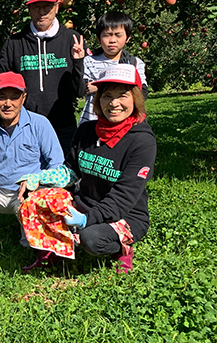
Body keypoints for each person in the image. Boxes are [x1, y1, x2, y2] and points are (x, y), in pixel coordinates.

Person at [20, 64, 156, 272]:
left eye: (122, 96)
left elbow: (123, 196)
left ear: (135, 99)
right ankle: (54, 249)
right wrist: (38, 178)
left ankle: (121, 250)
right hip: (84, 204)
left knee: (91, 238)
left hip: (126, 214)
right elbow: (70, 171)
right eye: (107, 95)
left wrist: (86, 220)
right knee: (37, 198)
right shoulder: (87, 130)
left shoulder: (142, 141)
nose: (114, 103)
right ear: (98, 99)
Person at [0, 0, 86, 153]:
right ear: (29, 9)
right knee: (26, 177)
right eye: (36, 7)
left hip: (63, 125)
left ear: (57, 7)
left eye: (47, 7)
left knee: (64, 176)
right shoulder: (15, 42)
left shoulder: (72, 39)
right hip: (25, 127)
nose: (42, 12)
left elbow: (79, 90)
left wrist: (79, 63)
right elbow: (0, 82)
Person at [0, 72, 64, 226]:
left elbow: (57, 163)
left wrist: (38, 184)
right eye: (2, 96)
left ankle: (31, 240)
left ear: (23, 98)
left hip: (28, 192)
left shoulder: (40, 124)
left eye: (14, 97)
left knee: (31, 237)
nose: (7, 103)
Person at [79, 11, 148, 124]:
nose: (112, 40)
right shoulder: (89, 61)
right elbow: (82, 89)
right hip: (93, 122)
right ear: (98, 38)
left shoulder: (134, 63)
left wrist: (97, 86)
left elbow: (142, 92)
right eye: (107, 35)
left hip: (125, 123)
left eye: (118, 35)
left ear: (128, 38)